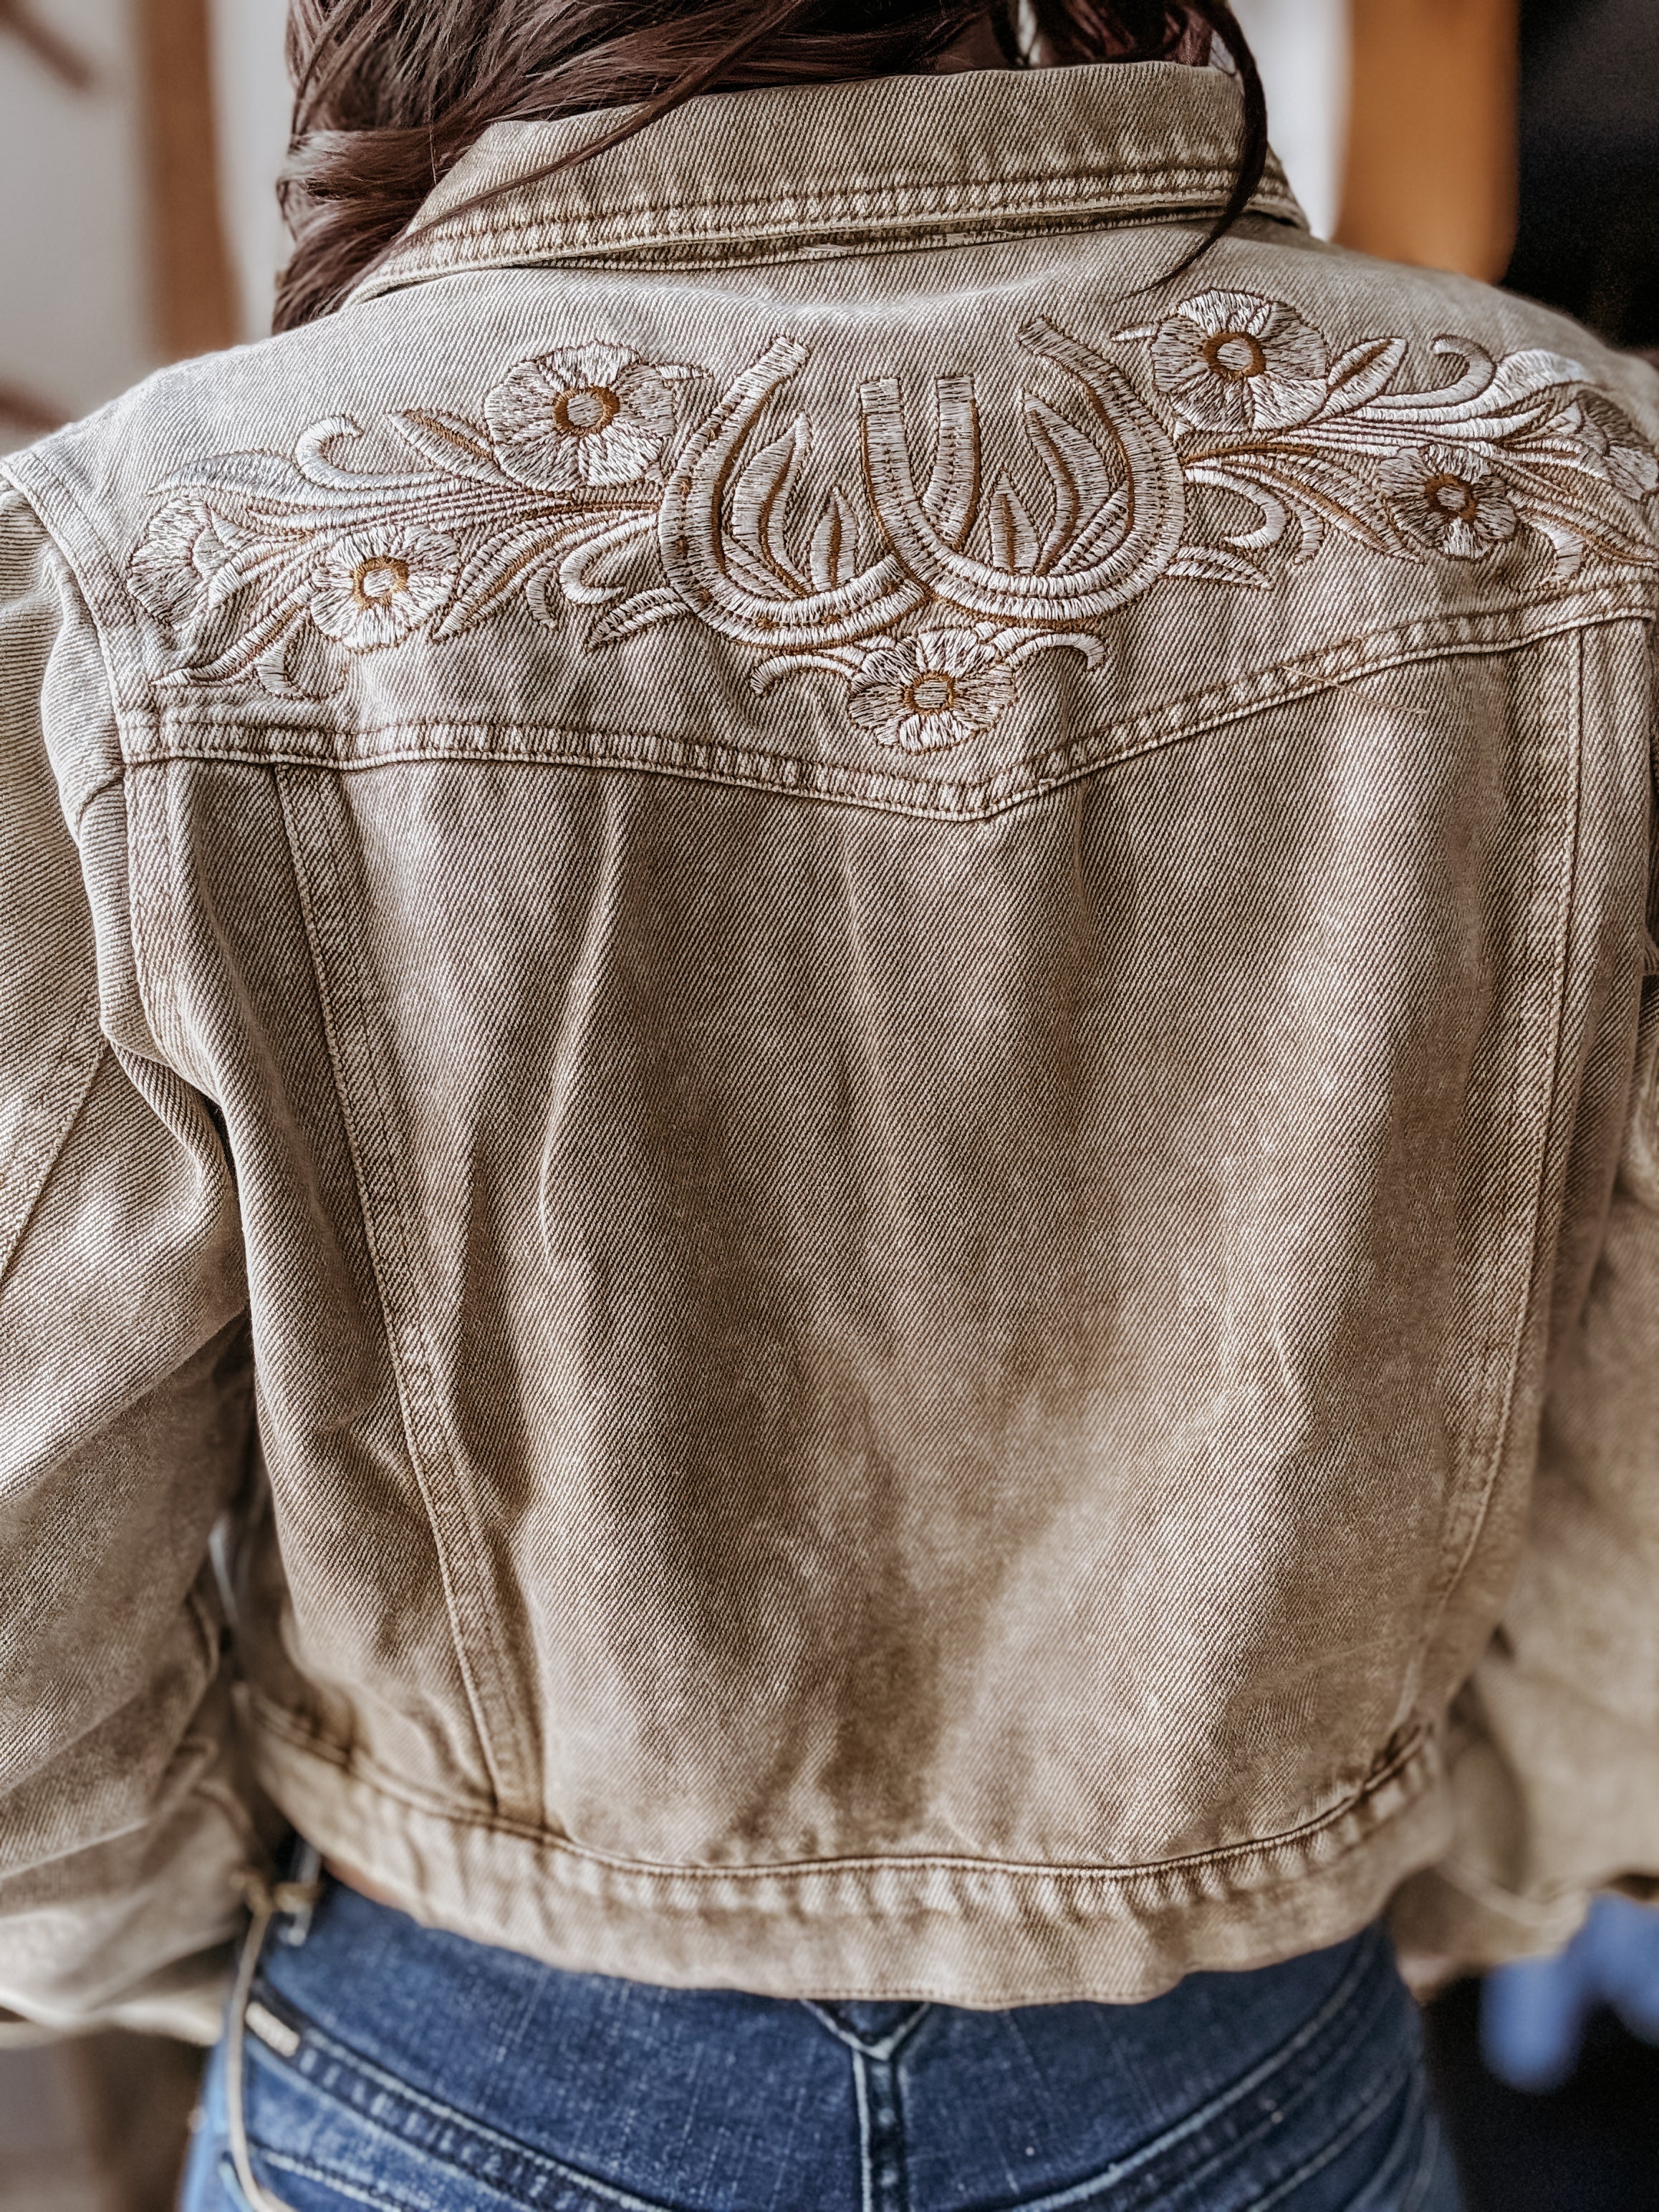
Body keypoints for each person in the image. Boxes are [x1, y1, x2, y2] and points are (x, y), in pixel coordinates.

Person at [1, 4, 1656, 2206]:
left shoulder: (155, 569)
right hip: (1241, 2052)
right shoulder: (1577, 488)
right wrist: (1431, 1868)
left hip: (454, 2060)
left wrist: (231, 1940)